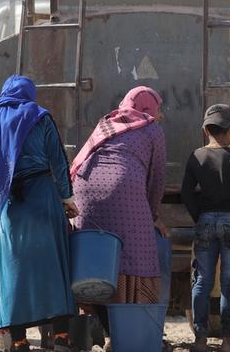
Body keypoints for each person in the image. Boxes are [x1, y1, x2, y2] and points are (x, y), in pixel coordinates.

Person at [0, 74, 79, 352]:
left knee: (15, 268)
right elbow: (58, 162)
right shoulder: (39, 116)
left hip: (9, 200)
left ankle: (19, 340)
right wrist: (67, 198)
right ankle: (61, 336)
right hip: (43, 196)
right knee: (53, 263)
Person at [71, 86, 166, 313]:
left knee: (95, 251)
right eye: (159, 108)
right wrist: (152, 216)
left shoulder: (106, 122)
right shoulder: (152, 129)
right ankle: (128, 322)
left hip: (85, 189)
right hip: (125, 190)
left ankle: (92, 318)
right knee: (135, 252)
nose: (160, 114)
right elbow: (157, 179)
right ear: (148, 107)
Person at [181, 104, 230, 352]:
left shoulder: (196, 157)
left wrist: (199, 216)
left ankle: (200, 340)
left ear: (205, 130)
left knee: (201, 280)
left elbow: (186, 193)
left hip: (204, 223)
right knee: (229, 283)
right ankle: (228, 341)